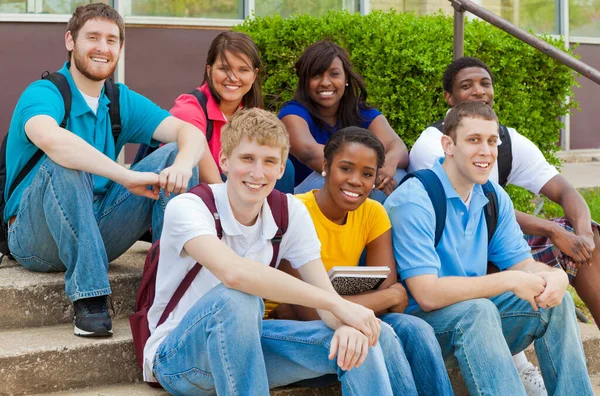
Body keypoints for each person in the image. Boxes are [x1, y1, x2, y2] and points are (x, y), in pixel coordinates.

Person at [146, 108, 408, 395]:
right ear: (224, 160)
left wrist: (344, 322)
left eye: (270, 161)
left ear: (282, 168)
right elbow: (234, 274)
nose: (258, 173)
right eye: (247, 159)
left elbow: (325, 299)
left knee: (363, 340)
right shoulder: (189, 207)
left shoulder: (289, 211)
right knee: (237, 299)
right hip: (179, 358)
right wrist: (337, 305)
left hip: (250, 347)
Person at [4, 3, 204, 337]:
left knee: (173, 155)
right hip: (35, 238)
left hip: (98, 228)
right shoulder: (44, 93)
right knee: (64, 162)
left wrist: (182, 166)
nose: (102, 47)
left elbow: (191, 134)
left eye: (111, 40)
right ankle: (90, 298)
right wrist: (125, 176)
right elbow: (52, 140)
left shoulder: (118, 99)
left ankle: (167, 289)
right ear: (70, 41)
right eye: (92, 37)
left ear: (120, 49)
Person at [409, 56, 600, 394]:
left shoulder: (493, 195)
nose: (486, 151)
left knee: (558, 304)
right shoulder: (418, 196)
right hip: (421, 327)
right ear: (448, 145)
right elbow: (426, 294)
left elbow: (522, 262)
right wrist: (513, 279)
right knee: (479, 310)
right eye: (473, 141)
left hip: (474, 311)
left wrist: (554, 278)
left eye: (491, 141)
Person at [268, 127, 453, 395]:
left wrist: (385, 297)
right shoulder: (296, 211)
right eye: (345, 168)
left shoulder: (373, 213)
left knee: (416, 328)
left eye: (367, 174)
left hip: (338, 314)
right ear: (326, 167)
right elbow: (309, 312)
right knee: (379, 334)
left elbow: (394, 300)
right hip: (290, 330)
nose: (356, 181)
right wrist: (387, 297)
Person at [279, 40, 408, 202]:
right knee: (329, 175)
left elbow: (398, 147)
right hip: (306, 198)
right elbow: (309, 152)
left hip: (353, 187)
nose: (325, 82)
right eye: (316, 75)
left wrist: (387, 167)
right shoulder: (292, 114)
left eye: (334, 74)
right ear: (305, 82)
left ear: (346, 78)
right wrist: (366, 174)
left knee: (400, 177)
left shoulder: (361, 112)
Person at [169, 31, 295, 193]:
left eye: (243, 70)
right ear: (209, 70)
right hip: (194, 195)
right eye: (224, 68)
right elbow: (211, 180)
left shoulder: (253, 114)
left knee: (283, 167)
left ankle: (275, 217)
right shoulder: (189, 109)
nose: (233, 78)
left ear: (254, 75)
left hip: (235, 189)